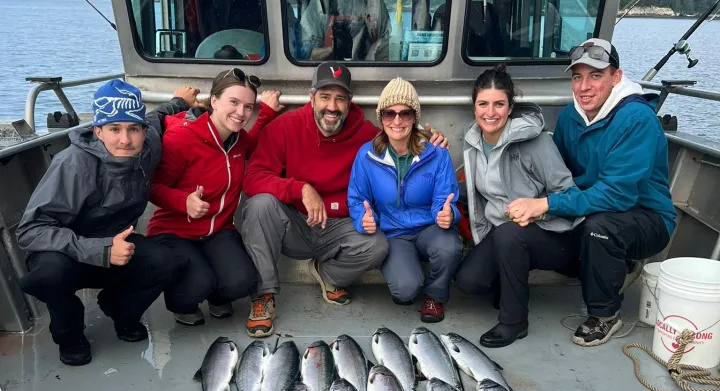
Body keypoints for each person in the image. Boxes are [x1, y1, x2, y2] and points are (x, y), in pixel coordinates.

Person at [241, 61, 448, 337]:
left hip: (340, 227)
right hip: (294, 224)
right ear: (311, 97)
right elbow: (252, 177)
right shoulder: (284, 127)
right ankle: (264, 294)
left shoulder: (366, 136)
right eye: (325, 97)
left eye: (340, 98)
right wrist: (299, 188)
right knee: (258, 205)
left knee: (377, 244)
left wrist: (432, 142)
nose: (332, 106)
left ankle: (329, 276)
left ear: (349, 103)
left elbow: (402, 139)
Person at [15, 79, 200, 366]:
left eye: (132, 129)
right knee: (49, 274)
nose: (125, 140)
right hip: (66, 255)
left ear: (143, 131)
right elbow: (29, 231)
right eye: (114, 129)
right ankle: (70, 335)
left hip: (117, 249)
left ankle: (120, 311)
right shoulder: (73, 164)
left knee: (166, 261)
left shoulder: (147, 145)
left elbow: (157, 117)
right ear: (98, 130)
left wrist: (180, 101)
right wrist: (101, 250)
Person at [506, 38, 677, 347]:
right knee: (538, 229)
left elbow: (617, 196)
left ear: (616, 77)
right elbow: (555, 171)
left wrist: (546, 204)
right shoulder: (571, 117)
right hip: (589, 207)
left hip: (646, 216)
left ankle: (605, 314)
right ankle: (604, 267)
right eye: (577, 76)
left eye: (595, 75)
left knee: (600, 229)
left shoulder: (637, 120)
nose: (584, 86)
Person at [453, 65, 582, 347]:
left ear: (510, 107)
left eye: (499, 104)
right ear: (473, 107)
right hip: (502, 235)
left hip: (550, 234)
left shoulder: (535, 142)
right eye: (483, 104)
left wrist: (539, 206)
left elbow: (571, 194)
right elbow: (478, 192)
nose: (490, 112)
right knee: (468, 282)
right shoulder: (472, 141)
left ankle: (514, 321)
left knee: (509, 234)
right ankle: (508, 274)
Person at [146, 68, 283, 326]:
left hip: (218, 231)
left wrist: (267, 114)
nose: (241, 113)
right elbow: (152, 187)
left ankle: (218, 295)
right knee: (198, 284)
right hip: (174, 232)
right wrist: (182, 201)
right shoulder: (182, 137)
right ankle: (182, 303)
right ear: (214, 101)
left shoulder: (238, 140)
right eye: (233, 102)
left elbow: (251, 143)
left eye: (248, 107)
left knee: (243, 281)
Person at [348, 77, 461, 323]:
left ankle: (435, 295)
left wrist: (448, 213)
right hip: (394, 233)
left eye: (405, 113)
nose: (397, 121)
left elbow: (446, 198)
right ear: (381, 118)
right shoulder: (367, 155)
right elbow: (357, 200)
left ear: (415, 117)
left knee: (449, 246)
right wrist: (363, 219)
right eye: (389, 113)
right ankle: (407, 274)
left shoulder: (437, 153)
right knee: (405, 290)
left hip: (429, 227)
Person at [295, 0, 390, 61]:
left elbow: (384, 50)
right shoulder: (320, 4)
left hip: (366, 74)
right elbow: (306, 56)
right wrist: (331, 50)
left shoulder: (375, 5)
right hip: (328, 77)